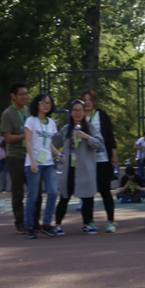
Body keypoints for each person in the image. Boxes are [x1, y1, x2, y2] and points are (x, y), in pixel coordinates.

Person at [52, 99, 104, 236]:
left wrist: (86, 137)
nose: (77, 113)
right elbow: (54, 143)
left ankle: (87, 224)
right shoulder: (66, 129)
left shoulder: (90, 128)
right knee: (64, 196)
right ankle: (57, 225)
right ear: (70, 112)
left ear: (84, 112)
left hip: (85, 168)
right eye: (74, 110)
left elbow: (99, 143)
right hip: (69, 168)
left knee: (87, 197)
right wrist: (51, 130)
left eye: (80, 110)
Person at [1, 82, 42, 234]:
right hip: (15, 157)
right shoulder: (7, 114)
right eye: (21, 94)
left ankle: (35, 222)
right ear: (13, 96)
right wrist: (25, 136)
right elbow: (8, 138)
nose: (25, 97)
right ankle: (20, 223)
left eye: (26, 94)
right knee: (18, 191)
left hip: (31, 156)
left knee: (36, 190)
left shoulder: (31, 112)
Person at [81, 90, 118, 233]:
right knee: (88, 192)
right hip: (86, 160)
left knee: (105, 190)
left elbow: (110, 135)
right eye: (84, 99)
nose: (87, 102)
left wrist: (114, 154)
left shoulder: (101, 115)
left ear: (94, 101)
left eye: (90, 99)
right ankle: (89, 221)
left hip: (102, 158)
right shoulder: (79, 117)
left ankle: (111, 221)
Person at [23, 93, 60, 239]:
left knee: (53, 191)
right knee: (33, 195)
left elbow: (49, 143)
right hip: (34, 163)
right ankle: (29, 226)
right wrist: (33, 161)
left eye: (49, 103)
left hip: (48, 162)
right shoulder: (31, 121)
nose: (46, 105)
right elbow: (27, 142)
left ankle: (46, 224)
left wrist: (59, 154)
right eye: (43, 102)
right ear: (37, 104)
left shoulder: (51, 123)